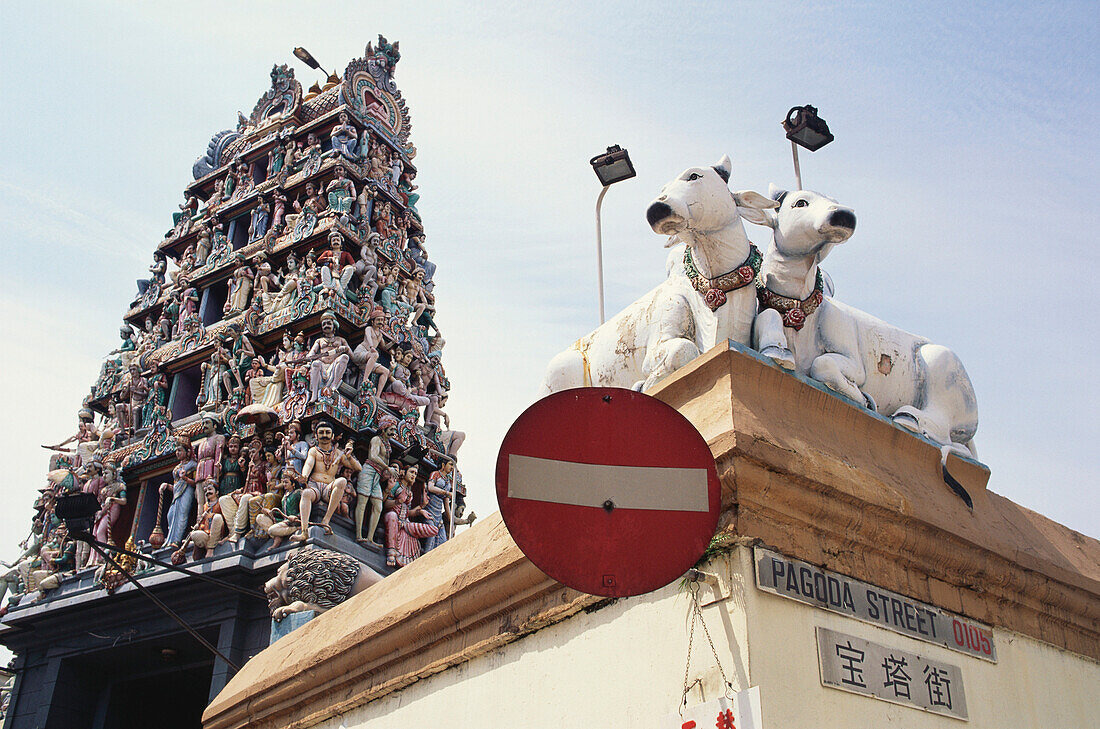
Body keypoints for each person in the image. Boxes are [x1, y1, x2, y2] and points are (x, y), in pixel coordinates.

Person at [293, 420, 360, 542]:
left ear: (333, 436)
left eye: (327, 432)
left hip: (329, 488)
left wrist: (350, 456)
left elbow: (358, 468)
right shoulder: (313, 451)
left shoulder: (338, 453)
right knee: (306, 493)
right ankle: (304, 531)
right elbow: (308, 464)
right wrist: (304, 476)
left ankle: (326, 520)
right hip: (315, 486)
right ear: (316, 436)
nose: (324, 435)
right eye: (321, 432)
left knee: (342, 481)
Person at [383, 465, 438, 567]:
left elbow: (408, 512)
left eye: (415, 474)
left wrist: (421, 510)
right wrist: (397, 501)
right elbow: (385, 504)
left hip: (404, 524)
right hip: (392, 519)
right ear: (404, 472)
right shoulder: (396, 486)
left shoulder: (409, 493)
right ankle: (391, 552)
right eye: (412, 472)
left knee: (434, 530)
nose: (414, 475)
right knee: (392, 515)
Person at [354, 416, 397, 545]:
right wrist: (387, 468)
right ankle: (358, 535)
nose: (393, 432)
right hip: (368, 471)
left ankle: (370, 538)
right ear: (384, 428)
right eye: (391, 429)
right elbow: (373, 456)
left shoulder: (388, 445)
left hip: (377, 476)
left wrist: (386, 473)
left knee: (378, 506)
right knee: (362, 502)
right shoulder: (376, 439)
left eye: (394, 429)